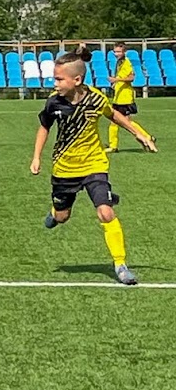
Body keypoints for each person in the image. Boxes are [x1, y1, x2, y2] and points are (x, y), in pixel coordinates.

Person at [30, 46, 157, 285]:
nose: (54, 82)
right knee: (63, 215)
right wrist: (36, 156)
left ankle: (120, 265)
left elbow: (114, 115)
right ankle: (55, 215)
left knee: (106, 211)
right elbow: (44, 127)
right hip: (64, 169)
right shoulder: (53, 103)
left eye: (59, 78)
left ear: (77, 79)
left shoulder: (96, 98)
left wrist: (138, 133)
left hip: (94, 165)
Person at [106, 42, 155, 153]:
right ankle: (113, 145)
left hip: (125, 97)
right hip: (119, 96)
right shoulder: (119, 62)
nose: (116, 53)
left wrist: (116, 80)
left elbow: (131, 77)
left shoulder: (126, 62)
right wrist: (115, 83)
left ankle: (146, 137)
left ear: (124, 52)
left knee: (124, 121)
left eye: (118, 51)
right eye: (115, 51)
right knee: (115, 121)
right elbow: (122, 76)